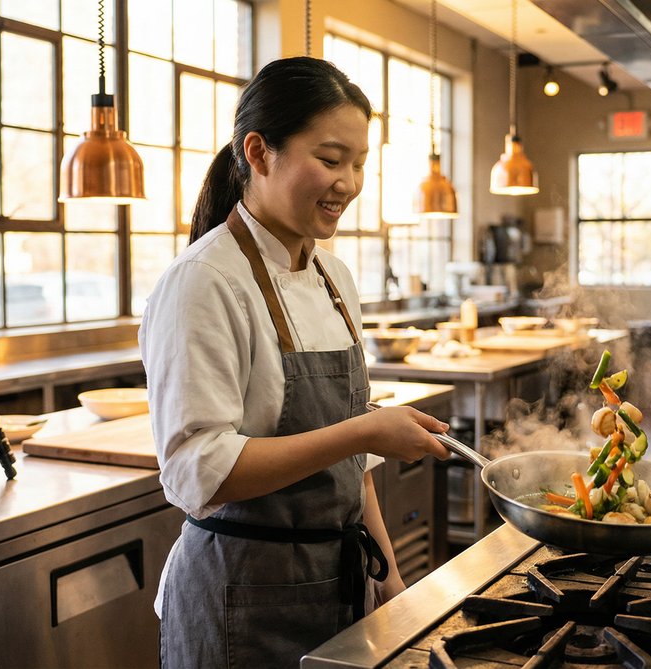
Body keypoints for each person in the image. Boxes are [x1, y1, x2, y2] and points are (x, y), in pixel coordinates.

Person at [139, 57, 452, 669]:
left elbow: (353, 468)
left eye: (360, 163)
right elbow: (198, 472)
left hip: (338, 590)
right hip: (240, 604)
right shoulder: (203, 281)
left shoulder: (333, 277)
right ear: (259, 152)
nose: (350, 182)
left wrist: (390, 584)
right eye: (331, 160)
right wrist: (362, 429)